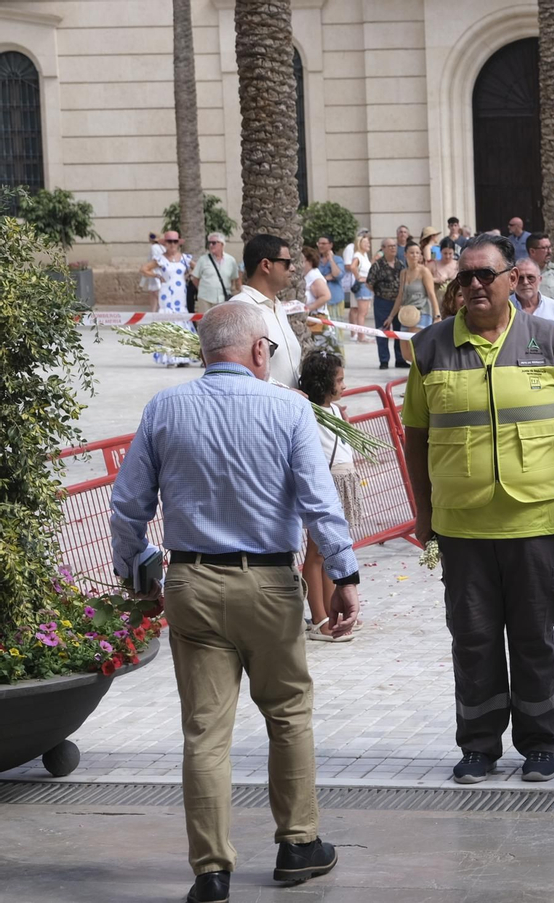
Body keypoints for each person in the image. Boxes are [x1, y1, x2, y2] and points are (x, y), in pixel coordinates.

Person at [109, 301, 358, 903]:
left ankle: (211, 872)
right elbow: (320, 504)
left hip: (191, 583)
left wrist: (139, 567)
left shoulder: (166, 409)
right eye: (270, 350)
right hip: (270, 586)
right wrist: (344, 573)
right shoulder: (290, 411)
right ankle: (298, 844)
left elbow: (127, 507)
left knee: (205, 732)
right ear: (255, 351)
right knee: (288, 714)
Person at [401, 234, 554, 785]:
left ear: (513, 278)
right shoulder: (431, 346)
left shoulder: (549, 339)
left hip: (535, 521)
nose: (476, 285)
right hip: (462, 527)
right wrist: (423, 511)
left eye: (487, 274)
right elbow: (416, 437)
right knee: (474, 638)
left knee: (534, 637)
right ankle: (479, 745)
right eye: (466, 277)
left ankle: (539, 744)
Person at [299, 349, 362, 644]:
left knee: (329, 552)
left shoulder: (337, 411)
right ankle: (319, 618)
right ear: (325, 383)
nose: (344, 385)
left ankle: (333, 612)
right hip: (326, 485)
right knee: (316, 554)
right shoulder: (308, 412)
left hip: (343, 480)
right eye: (339, 380)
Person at [228, 234, 302, 388]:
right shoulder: (239, 309)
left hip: (291, 408)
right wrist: (281, 393)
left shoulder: (277, 306)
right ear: (266, 265)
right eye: (287, 263)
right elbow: (234, 372)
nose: (293, 268)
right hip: (263, 409)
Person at [141, 230, 195, 366]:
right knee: (168, 321)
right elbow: (144, 269)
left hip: (180, 292)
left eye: (174, 241)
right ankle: (170, 357)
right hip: (166, 293)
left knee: (182, 321)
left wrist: (190, 275)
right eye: (169, 241)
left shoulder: (185, 258)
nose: (172, 244)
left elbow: (199, 268)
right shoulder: (160, 258)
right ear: (165, 243)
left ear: (178, 243)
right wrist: (156, 276)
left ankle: (183, 357)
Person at [387, 241, 440, 366]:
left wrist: (437, 315)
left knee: (416, 348)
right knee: (405, 353)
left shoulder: (424, 271)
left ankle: (423, 372)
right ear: (405, 255)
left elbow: (432, 294)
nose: (415, 255)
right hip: (406, 314)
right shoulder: (403, 273)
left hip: (422, 312)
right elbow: (400, 296)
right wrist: (391, 316)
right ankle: (418, 370)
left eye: (417, 253)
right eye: (412, 253)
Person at [512, 258, 554, 343]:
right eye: (520, 278)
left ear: (540, 280)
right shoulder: (503, 308)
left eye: (530, 278)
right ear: (513, 280)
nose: (525, 282)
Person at [367, 238, 404, 369]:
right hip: (382, 302)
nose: (393, 248)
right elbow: (369, 283)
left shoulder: (400, 264)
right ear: (383, 248)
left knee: (399, 331)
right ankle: (384, 360)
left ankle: (400, 359)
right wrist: (381, 292)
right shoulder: (377, 265)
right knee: (383, 331)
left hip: (398, 302)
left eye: (394, 246)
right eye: (390, 246)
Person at [301, 246, 337, 353]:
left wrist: (308, 308)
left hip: (317, 319)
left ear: (310, 261)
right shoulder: (306, 276)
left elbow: (326, 296)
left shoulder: (314, 276)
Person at [195, 233, 242, 314]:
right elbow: (195, 278)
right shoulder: (203, 260)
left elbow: (235, 279)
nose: (211, 245)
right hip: (205, 299)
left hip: (223, 299)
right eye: (209, 243)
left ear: (222, 244)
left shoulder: (231, 260)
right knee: (204, 323)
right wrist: (203, 290)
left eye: (214, 243)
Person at [344, 231, 373, 344]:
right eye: (365, 242)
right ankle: (361, 336)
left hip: (365, 286)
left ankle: (361, 335)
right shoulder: (357, 255)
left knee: (362, 312)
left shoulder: (364, 256)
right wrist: (359, 277)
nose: (368, 244)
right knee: (362, 313)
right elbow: (352, 266)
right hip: (362, 286)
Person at [315, 236, 346, 326]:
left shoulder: (338, 260)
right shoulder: (316, 260)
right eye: (319, 243)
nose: (321, 246)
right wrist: (326, 277)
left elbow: (337, 275)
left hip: (334, 299)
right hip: (319, 299)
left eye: (324, 244)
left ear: (330, 245)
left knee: (335, 328)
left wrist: (331, 260)